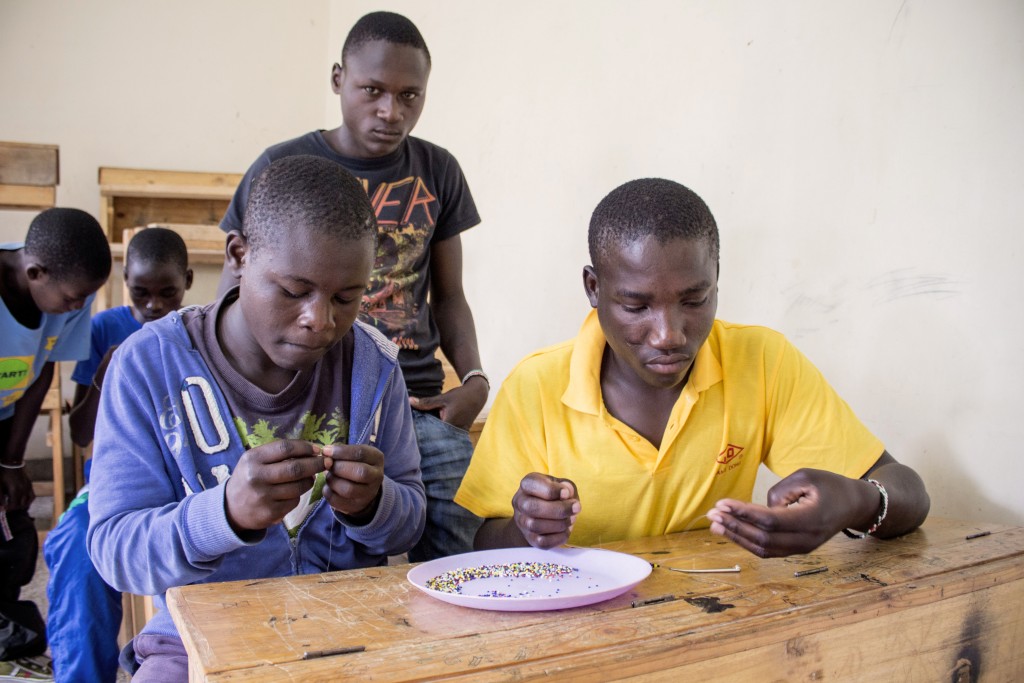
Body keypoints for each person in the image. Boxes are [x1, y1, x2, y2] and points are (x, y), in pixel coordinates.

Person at [455, 178, 930, 557]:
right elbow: (482, 542)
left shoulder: (762, 362)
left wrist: (854, 502)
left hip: (708, 621)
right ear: (594, 288)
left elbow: (908, 492)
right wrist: (527, 527)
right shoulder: (536, 386)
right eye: (636, 307)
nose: (669, 334)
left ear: (716, 281)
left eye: (694, 300)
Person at [87, 155, 426, 681]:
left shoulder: (373, 365)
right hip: (199, 636)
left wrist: (374, 505)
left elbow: (409, 522)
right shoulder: (148, 365)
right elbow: (115, 551)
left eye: (347, 298)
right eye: (293, 291)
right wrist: (223, 514)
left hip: (352, 630)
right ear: (239, 255)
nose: (320, 320)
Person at [218, 11, 485, 562]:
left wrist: (475, 378)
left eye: (411, 95)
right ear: (339, 79)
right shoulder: (281, 165)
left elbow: (450, 295)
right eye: (373, 90)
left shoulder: (438, 171)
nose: (392, 111)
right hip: (309, 391)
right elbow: (233, 295)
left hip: (413, 398)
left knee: (461, 519)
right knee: (289, 535)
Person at [43, 227, 193, 683]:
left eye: (167, 293)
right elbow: (78, 432)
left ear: (187, 281)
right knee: (76, 549)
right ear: (125, 280)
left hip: (187, 488)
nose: (153, 306)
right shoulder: (106, 329)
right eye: (141, 293)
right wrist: (103, 380)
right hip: (113, 487)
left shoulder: (199, 337)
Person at [0, 208, 110, 680]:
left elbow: (44, 368)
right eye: (72, 298)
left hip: (8, 417)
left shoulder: (68, 293)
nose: (77, 306)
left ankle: (8, 632)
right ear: (34, 273)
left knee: (13, 527)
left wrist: (11, 461)